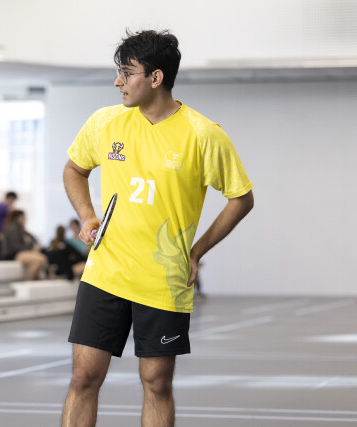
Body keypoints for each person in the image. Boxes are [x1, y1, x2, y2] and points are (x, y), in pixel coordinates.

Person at [62, 29, 254, 427]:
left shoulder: (204, 135)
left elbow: (241, 198)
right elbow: (74, 170)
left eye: (126, 73)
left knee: (157, 383)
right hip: (105, 272)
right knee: (83, 377)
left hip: (164, 280)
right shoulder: (105, 122)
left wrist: (197, 251)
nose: (117, 82)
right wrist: (87, 215)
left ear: (155, 77)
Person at [3, 210, 48, 280]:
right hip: (13, 254)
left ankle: (35, 279)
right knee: (39, 260)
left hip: (20, 252)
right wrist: (29, 245)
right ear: (17, 218)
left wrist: (31, 245)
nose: (25, 219)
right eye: (23, 217)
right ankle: (29, 280)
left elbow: (33, 239)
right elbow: (15, 247)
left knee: (42, 259)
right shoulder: (13, 229)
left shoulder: (20, 229)